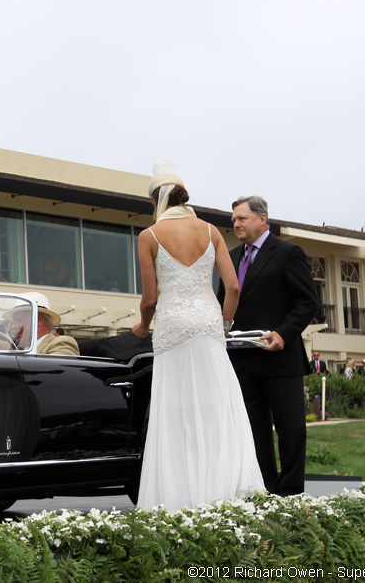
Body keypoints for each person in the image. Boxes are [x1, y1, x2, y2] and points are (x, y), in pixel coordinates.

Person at [132, 166, 263, 510]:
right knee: (215, 405)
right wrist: (224, 323)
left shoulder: (149, 236)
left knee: (176, 411)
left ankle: (181, 497)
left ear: (155, 199)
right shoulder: (211, 231)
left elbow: (149, 299)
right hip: (207, 325)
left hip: (173, 328)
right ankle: (221, 489)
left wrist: (143, 325)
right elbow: (232, 286)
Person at [220, 194, 319, 498]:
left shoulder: (288, 253)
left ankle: (290, 493)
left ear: (262, 219)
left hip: (279, 357)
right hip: (243, 361)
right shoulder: (232, 257)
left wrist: (283, 333)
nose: (236, 223)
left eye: (242, 218)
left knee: (290, 430)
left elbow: (308, 302)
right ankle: (266, 487)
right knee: (253, 431)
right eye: (234, 219)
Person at [7, 292, 79, 355]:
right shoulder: (23, 351)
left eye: (18, 320)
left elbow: (54, 369)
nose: (13, 326)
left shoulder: (62, 343)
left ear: (38, 320)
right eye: (13, 322)